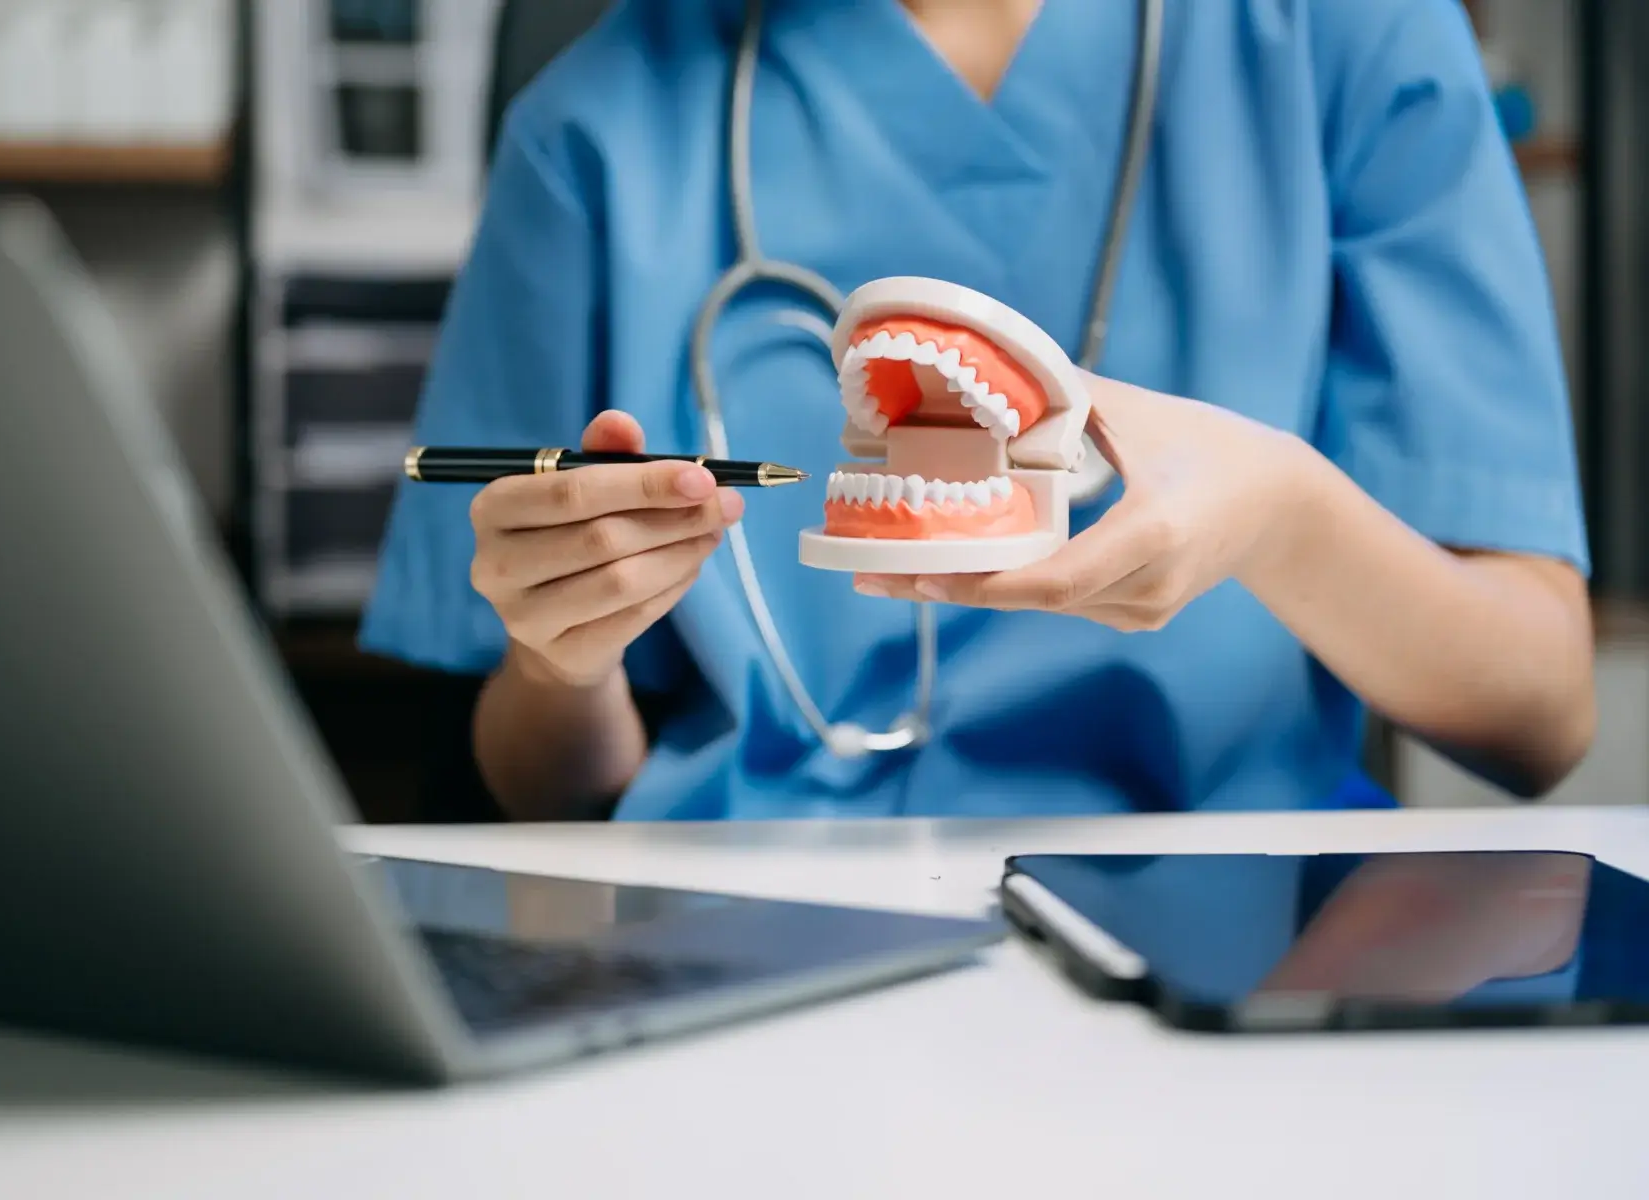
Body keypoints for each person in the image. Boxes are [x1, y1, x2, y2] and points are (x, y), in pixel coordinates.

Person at [361, 0, 1596, 823]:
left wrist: (1286, 520)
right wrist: (561, 661)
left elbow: (1538, 714)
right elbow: (545, 794)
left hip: (1241, 921)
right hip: (731, 931)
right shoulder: (594, 125)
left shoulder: (1352, 41)